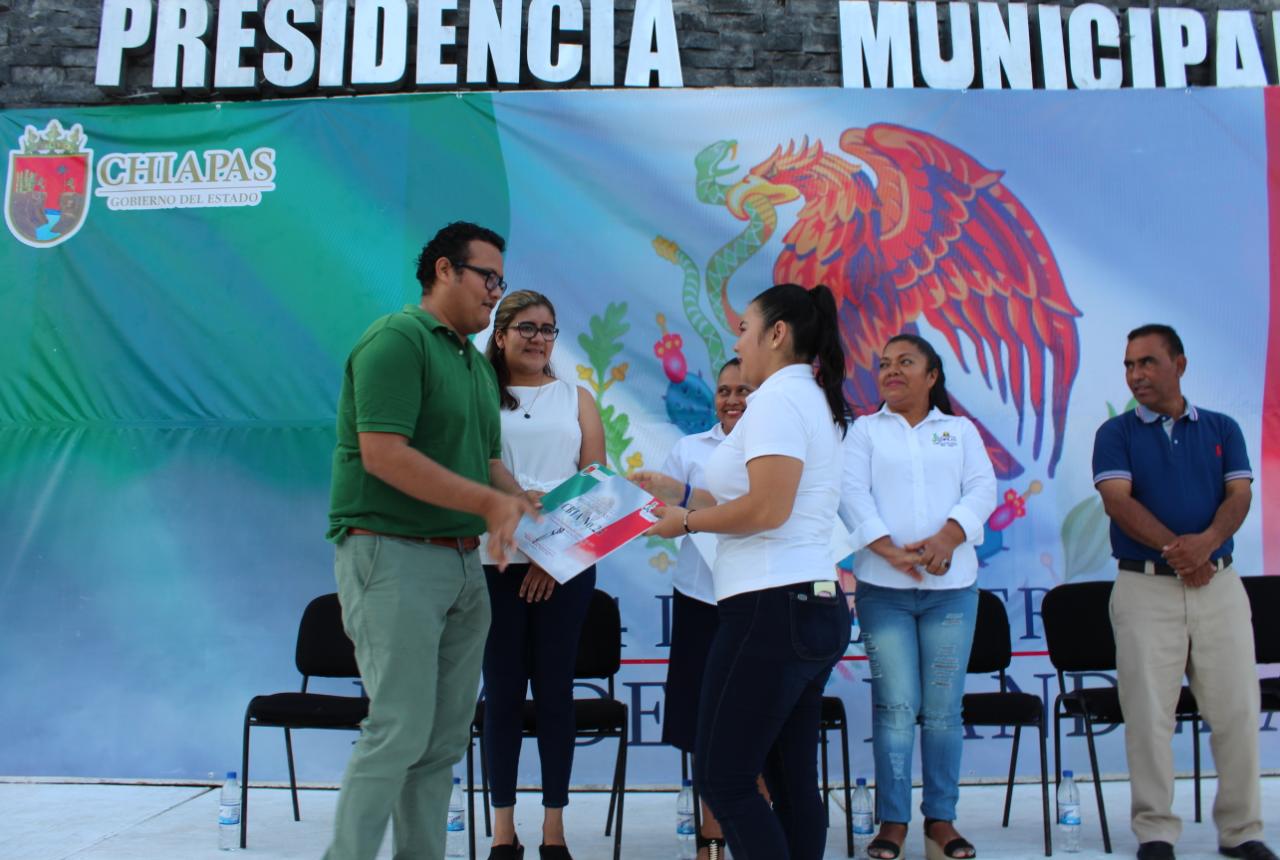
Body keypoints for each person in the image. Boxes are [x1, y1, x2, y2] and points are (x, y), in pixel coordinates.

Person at [324, 221, 536, 860]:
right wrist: (489, 504)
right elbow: (383, 454)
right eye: (488, 277)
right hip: (392, 554)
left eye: (502, 281)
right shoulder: (396, 340)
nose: (496, 292)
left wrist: (526, 502)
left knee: (443, 741)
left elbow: (488, 463)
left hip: (464, 565)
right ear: (445, 270)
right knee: (397, 729)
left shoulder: (473, 364)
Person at [645, 283, 852, 860]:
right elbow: (760, 498)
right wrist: (684, 497)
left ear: (776, 334)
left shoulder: (779, 401)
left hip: (771, 608)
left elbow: (768, 508)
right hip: (806, 603)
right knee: (788, 780)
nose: (736, 342)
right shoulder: (806, 396)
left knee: (724, 778)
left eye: (743, 329)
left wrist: (687, 521)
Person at [1092, 324, 1273, 860]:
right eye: (1129, 365)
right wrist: (1181, 551)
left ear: (1180, 364)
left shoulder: (1222, 427)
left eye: (1147, 362)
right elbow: (1117, 501)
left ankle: (1242, 831)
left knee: (1238, 711)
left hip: (1219, 585)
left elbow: (1239, 496)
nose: (1136, 375)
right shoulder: (1116, 433)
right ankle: (1155, 832)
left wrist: (1208, 545)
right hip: (1145, 588)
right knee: (1149, 716)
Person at [838, 333, 996, 860]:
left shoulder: (959, 431)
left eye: (905, 362)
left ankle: (941, 820)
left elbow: (982, 489)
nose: (891, 370)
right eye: (884, 363)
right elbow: (850, 493)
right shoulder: (864, 431)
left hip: (951, 592)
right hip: (884, 593)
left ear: (932, 376)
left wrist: (948, 537)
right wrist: (888, 550)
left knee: (945, 709)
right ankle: (893, 821)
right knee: (896, 706)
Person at [479, 290, 606, 860]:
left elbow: (596, 482)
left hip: (566, 567)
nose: (538, 338)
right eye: (526, 327)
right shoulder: (479, 395)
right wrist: (523, 518)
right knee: (502, 693)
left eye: (548, 329)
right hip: (496, 562)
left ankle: (554, 832)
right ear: (501, 334)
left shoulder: (577, 398)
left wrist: (553, 558)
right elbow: (478, 464)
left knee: (555, 693)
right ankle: (503, 833)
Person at [630, 358, 753, 860]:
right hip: (700, 599)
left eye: (743, 390)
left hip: (755, 600)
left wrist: (687, 506)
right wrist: (632, 501)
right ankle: (711, 839)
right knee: (705, 726)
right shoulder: (691, 449)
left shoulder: (776, 450)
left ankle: (756, 835)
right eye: (724, 391)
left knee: (755, 722)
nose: (732, 400)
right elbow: (660, 513)